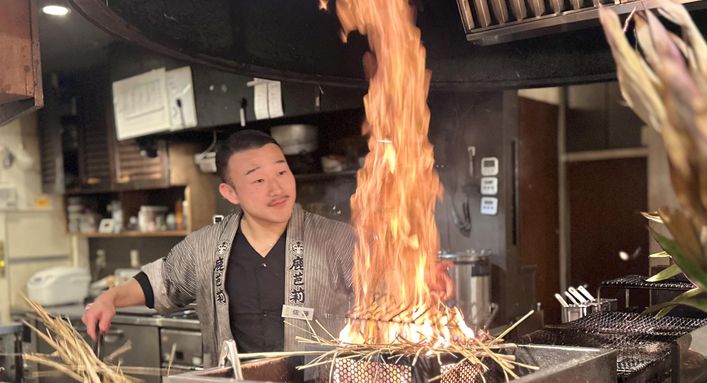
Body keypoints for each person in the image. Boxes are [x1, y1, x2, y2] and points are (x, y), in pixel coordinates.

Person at [83, 129, 453, 365]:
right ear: (230, 192)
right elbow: (159, 283)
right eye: (258, 179)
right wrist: (110, 300)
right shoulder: (205, 247)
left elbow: (389, 291)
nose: (277, 188)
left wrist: (420, 279)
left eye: (281, 172)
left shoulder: (337, 240)